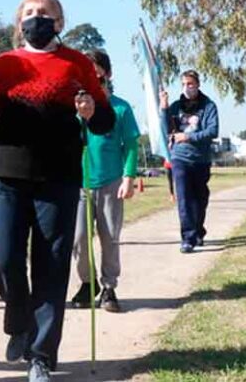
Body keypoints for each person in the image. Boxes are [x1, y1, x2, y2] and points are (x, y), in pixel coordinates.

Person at [0, 0, 115, 382]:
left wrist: (91, 109)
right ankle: (19, 322)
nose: (37, 18)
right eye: (29, 13)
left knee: (50, 267)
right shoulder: (6, 64)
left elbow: (103, 121)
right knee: (3, 257)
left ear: (59, 22)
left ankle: (41, 356)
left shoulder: (77, 63)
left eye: (44, 13)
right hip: (7, 175)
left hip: (59, 178)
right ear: (19, 24)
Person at [70, 50, 140, 313]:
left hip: (111, 182)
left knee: (110, 237)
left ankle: (109, 286)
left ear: (107, 73)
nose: (92, 73)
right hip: (79, 182)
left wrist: (129, 177)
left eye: (97, 68)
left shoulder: (120, 107)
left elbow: (131, 144)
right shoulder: (73, 107)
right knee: (78, 239)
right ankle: (88, 284)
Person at [160, 70, 219, 253]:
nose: (187, 88)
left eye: (191, 84)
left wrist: (188, 136)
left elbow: (212, 131)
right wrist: (163, 108)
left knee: (200, 199)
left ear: (198, 84)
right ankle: (187, 238)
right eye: (184, 84)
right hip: (179, 158)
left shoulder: (208, 106)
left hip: (200, 159)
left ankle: (198, 230)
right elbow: (165, 128)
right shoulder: (177, 106)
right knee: (184, 199)